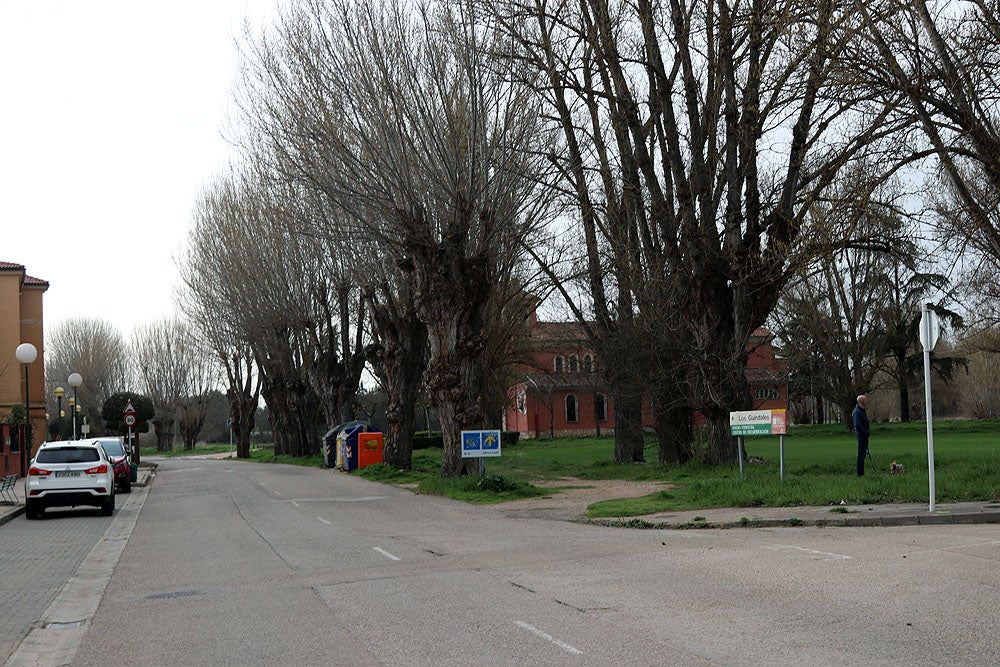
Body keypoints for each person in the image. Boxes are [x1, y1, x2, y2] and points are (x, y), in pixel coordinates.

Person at [853, 394, 870, 477]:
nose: (866, 402)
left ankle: (861, 473)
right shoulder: (857, 412)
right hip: (861, 437)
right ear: (861, 401)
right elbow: (858, 425)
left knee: (863, 455)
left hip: (864, 436)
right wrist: (865, 432)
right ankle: (859, 474)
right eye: (865, 400)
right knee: (860, 455)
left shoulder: (862, 411)